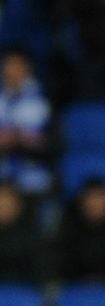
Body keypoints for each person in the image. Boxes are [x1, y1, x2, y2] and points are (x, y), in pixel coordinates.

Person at [0, 48, 51, 196]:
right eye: (9, 65)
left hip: (33, 173)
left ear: (28, 67)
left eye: (18, 65)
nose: (13, 71)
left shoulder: (43, 97)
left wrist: (20, 138)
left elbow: (46, 139)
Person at [0, 180, 44, 284]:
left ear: (19, 205)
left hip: (25, 292)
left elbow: (42, 271)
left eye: (8, 203)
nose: (3, 208)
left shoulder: (33, 236)